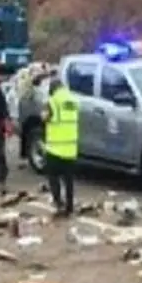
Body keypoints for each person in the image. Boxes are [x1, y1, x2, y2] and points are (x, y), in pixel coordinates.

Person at [43, 80, 79, 217]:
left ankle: (58, 204)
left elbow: (44, 117)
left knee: (53, 177)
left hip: (55, 148)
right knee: (69, 180)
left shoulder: (52, 101)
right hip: (70, 148)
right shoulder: (73, 101)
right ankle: (69, 207)